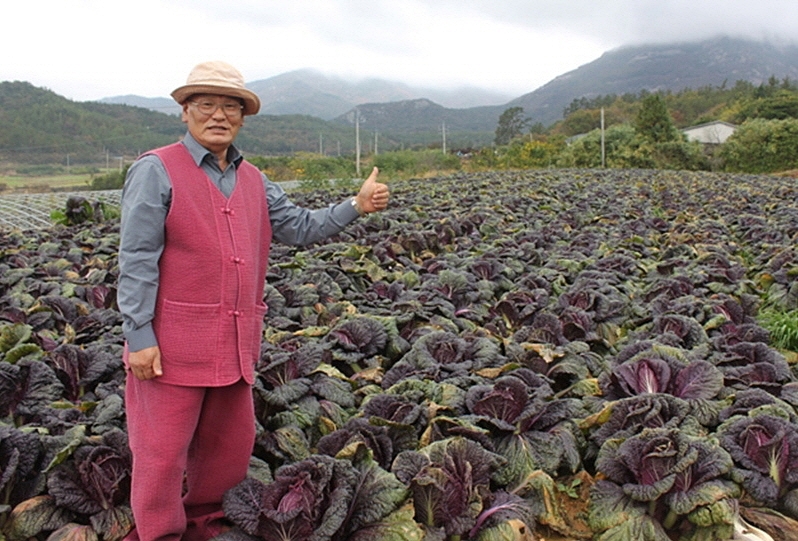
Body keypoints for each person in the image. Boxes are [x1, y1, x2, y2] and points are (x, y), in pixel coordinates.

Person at [117, 60, 389, 541]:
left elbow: (300, 227)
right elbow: (137, 258)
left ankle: (208, 528)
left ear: (243, 116)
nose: (218, 115)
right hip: (171, 344)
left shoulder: (255, 179)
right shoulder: (156, 169)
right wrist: (139, 335)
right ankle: (159, 535)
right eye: (206, 104)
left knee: (228, 450)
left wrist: (356, 205)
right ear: (185, 111)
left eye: (230, 106)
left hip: (235, 340)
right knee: (160, 455)